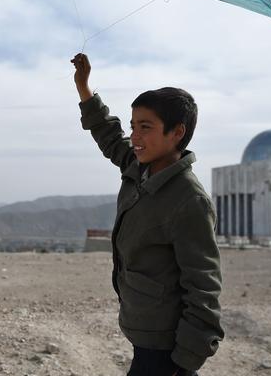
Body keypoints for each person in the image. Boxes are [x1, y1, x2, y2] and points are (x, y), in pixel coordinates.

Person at [71, 53, 223, 376]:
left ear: (177, 132)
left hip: (165, 349)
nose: (135, 137)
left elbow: (204, 289)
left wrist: (183, 365)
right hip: (144, 330)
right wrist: (84, 88)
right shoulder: (140, 167)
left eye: (146, 127)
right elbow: (109, 137)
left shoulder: (189, 201)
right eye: (133, 126)